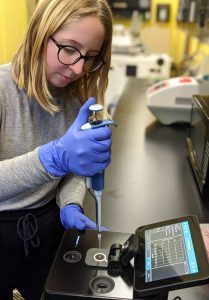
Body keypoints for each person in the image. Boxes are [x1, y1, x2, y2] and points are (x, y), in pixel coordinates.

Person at [0, 0, 113, 299]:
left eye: (91, 57)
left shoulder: (75, 101)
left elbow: (73, 171)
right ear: (40, 32)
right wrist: (51, 158)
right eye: (70, 49)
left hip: (48, 229)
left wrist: (72, 203)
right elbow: (59, 160)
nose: (78, 68)